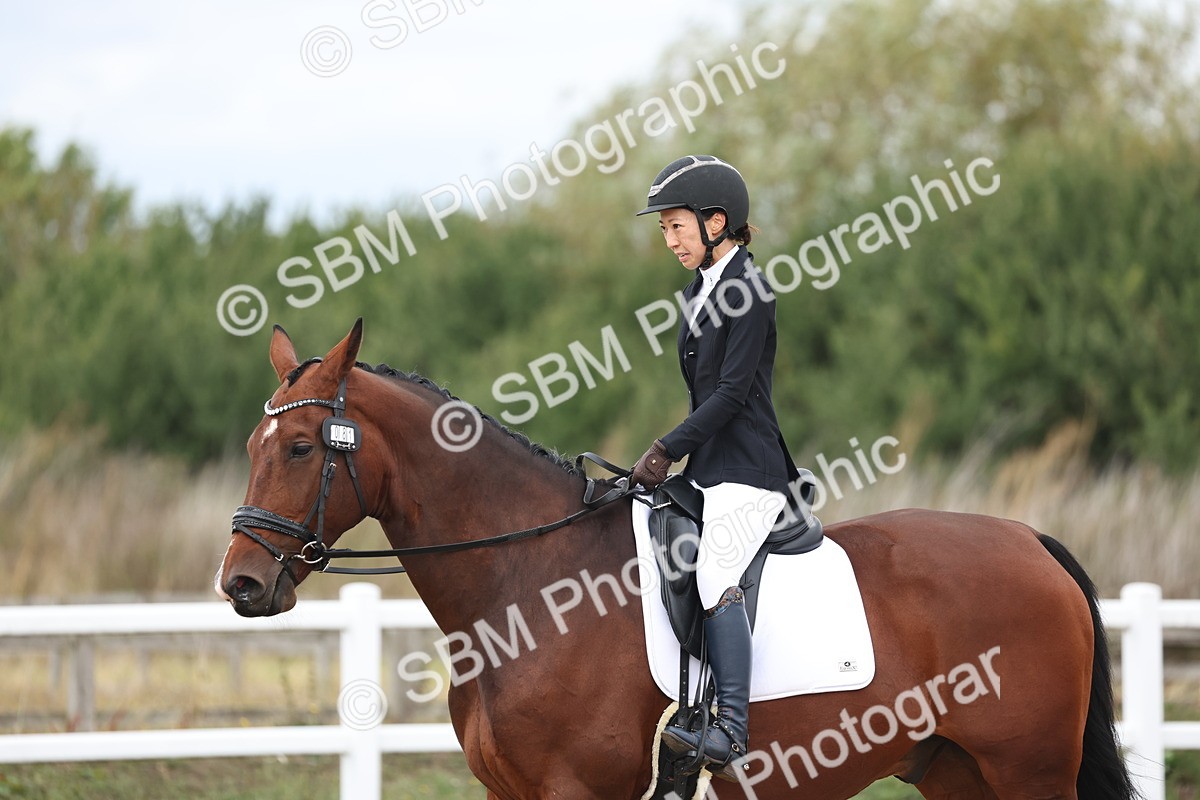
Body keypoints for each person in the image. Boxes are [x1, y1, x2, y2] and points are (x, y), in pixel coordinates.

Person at [630, 154, 794, 781]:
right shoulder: (699, 291)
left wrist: (665, 447)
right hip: (710, 467)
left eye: (676, 226)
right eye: (665, 228)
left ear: (716, 221)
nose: (668, 239)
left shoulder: (748, 289)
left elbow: (729, 394)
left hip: (750, 469)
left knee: (715, 568)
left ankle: (730, 725)